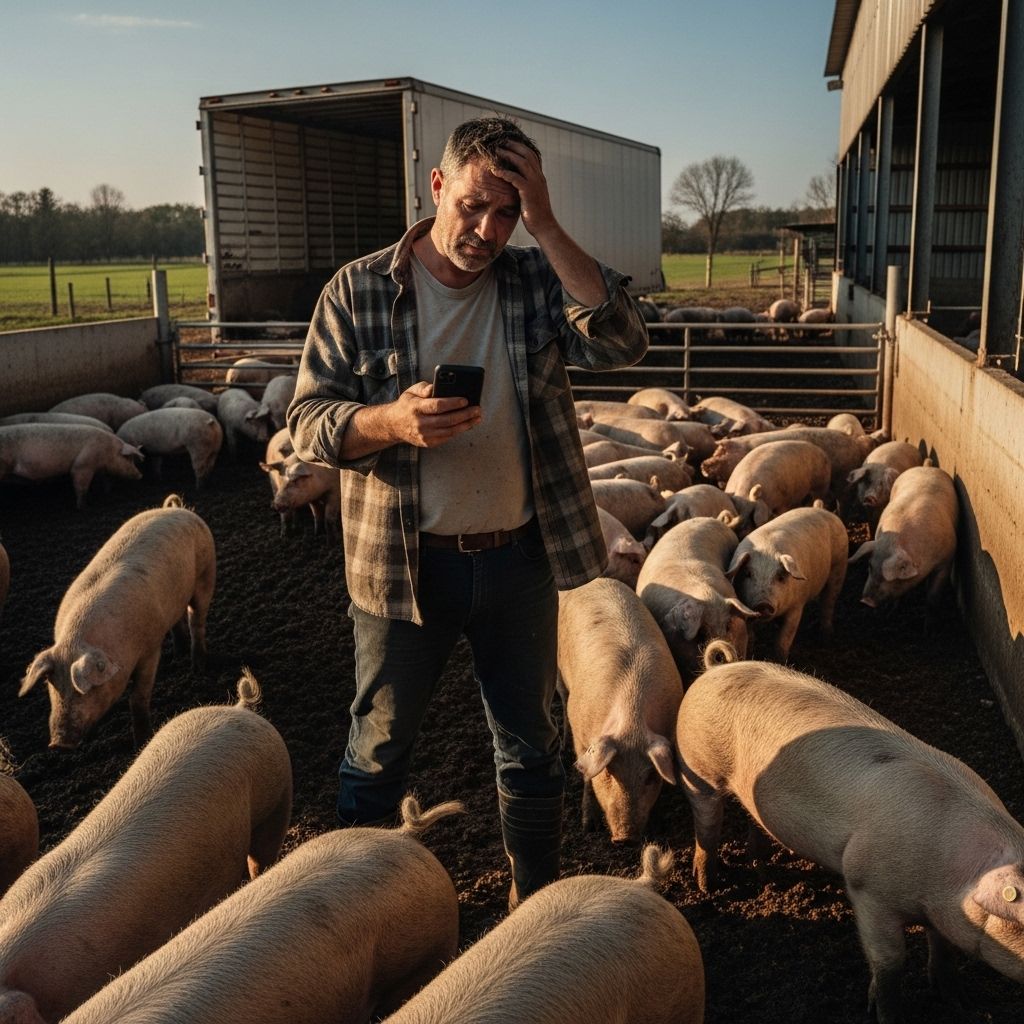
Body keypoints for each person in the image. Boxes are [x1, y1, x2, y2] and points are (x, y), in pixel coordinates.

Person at [287, 116, 648, 907]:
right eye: (475, 206)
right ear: (438, 186)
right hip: (401, 565)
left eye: (509, 213)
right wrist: (387, 421)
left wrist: (547, 225)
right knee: (378, 748)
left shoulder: (532, 280)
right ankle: (362, 912)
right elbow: (307, 422)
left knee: (532, 745)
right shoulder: (357, 290)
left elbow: (621, 341)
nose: (487, 231)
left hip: (519, 558)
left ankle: (537, 904)